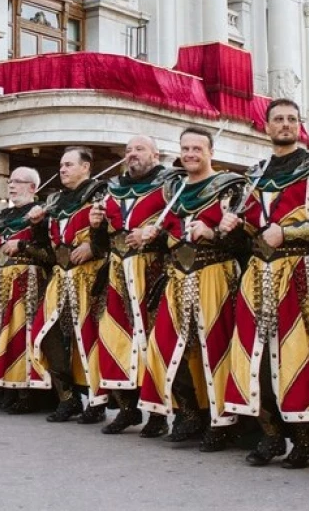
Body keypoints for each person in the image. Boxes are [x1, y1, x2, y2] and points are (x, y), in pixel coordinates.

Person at [224, 99, 309, 468]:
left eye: (292, 119)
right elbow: (247, 237)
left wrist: (288, 232)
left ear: (299, 126)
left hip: (301, 277)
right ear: (267, 127)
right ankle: (271, 436)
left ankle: (306, 443)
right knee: (254, 360)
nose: (286, 124)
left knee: (301, 359)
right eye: (279, 119)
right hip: (256, 278)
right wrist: (233, 227)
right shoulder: (254, 176)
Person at [138, 128, 246, 451]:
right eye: (185, 148)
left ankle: (221, 423)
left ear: (210, 151)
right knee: (167, 346)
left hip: (215, 274)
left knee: (216, 350)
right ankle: (189, 413)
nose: (190, 154)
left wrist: (213, 232)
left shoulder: (229, 187)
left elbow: (244, 240)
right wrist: (149, 235)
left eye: (197, 148)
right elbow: (169, 233)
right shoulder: (176, 188)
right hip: (178, 277)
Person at [89, 135, 176, 437]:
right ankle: (127, 408)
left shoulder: (169, 185)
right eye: (127, 150)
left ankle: (157, 414)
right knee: (115, 340)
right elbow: (100, 247)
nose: (132, 154)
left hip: (152, 271)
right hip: (117, 273)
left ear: (156, 154)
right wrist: (96, 226)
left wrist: (155, 236)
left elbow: (178, 231)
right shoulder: (112, 190)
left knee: (152, 343)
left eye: (139, 149)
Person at [29, 147, 109, 424]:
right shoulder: (53, 201)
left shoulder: (101, 193)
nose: (62, 169)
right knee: (45, 331)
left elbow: (117, 232)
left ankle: (98, 401)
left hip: (89, 276)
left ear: (86, 167)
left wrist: (94, 245)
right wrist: (38, 225)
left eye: (69, 165)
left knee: (89, 338)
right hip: (59, 277)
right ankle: (67, 397)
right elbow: (44, 247)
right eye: (61, 165)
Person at [0, 167, 51, 413]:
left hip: (27, 282)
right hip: (0, 283)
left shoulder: (40, 215)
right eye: (10, 181)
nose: (12, 185)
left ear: (32, 187)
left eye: (18, 182)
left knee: (23, 337)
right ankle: (6, 387)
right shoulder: (3, 215)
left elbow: (47, 252)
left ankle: (27, 392)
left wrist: (24, 246)